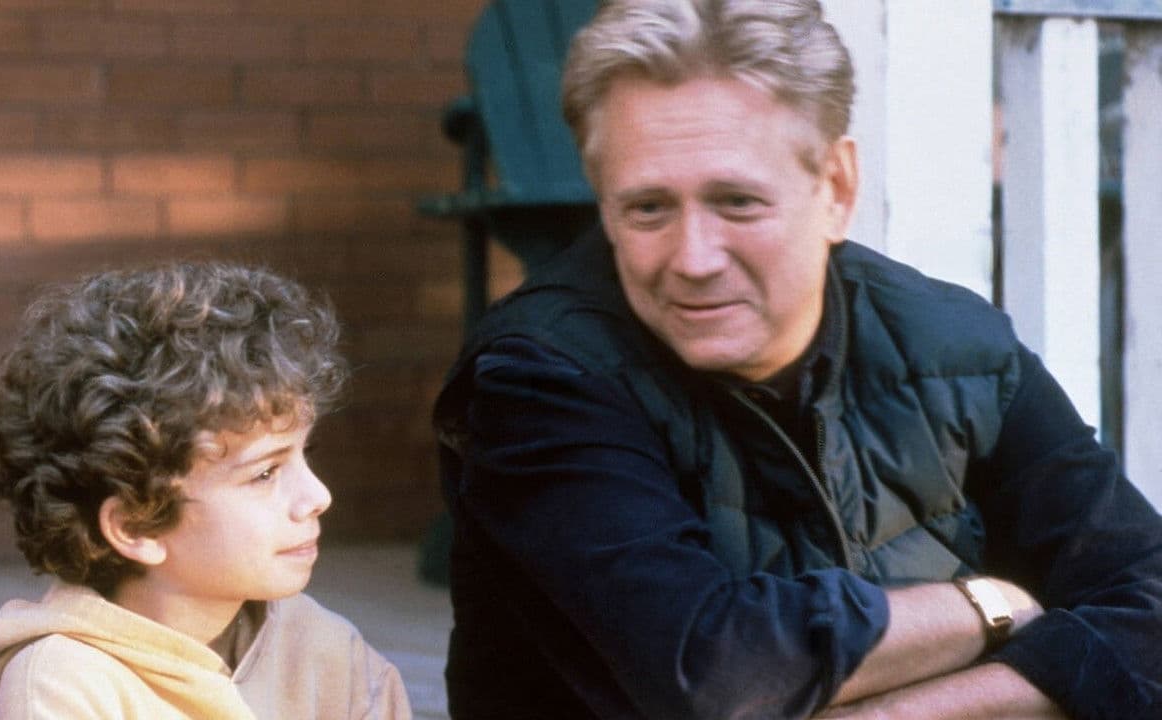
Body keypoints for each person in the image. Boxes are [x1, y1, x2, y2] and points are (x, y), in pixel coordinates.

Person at [433, 1, 1162, 718]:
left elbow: (1150, 598)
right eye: (648, 208)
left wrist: (906, 713)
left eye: (737, 202)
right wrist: (987, 604)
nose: (693, 259)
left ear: (837, 188)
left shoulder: (953, 346)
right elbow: (710, 673)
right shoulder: (537, 378)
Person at [0, 263, 412, 720]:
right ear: (136, 524)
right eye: (265, 473)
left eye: (303, 453)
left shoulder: (329, 653)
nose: (318, 496)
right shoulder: (62, 687)